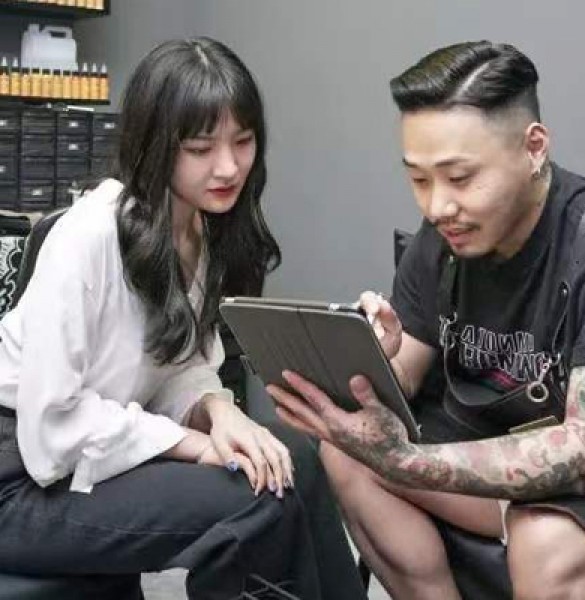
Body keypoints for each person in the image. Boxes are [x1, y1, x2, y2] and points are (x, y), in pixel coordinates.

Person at [0, 37, 367, 600]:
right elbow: (52, 428)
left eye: (243, 141)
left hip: (92, 452)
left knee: (293, 459)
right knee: (253, 500)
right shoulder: (87, 236)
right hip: (23, 479)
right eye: (201, 148)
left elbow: (178, 368)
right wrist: (196, 445)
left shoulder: (199, 230)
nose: (229, 167)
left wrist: (220, 411)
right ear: (154, 145)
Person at [268, 41, 585, 600]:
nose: (437, 207)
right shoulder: (443, 240)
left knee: (543, 541)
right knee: (345, 456)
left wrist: (408, 461)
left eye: (460, 178)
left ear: (533, 147)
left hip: (576, 481)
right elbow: (404, 379)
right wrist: (375, 357)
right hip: (471, 465)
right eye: (419, 180)